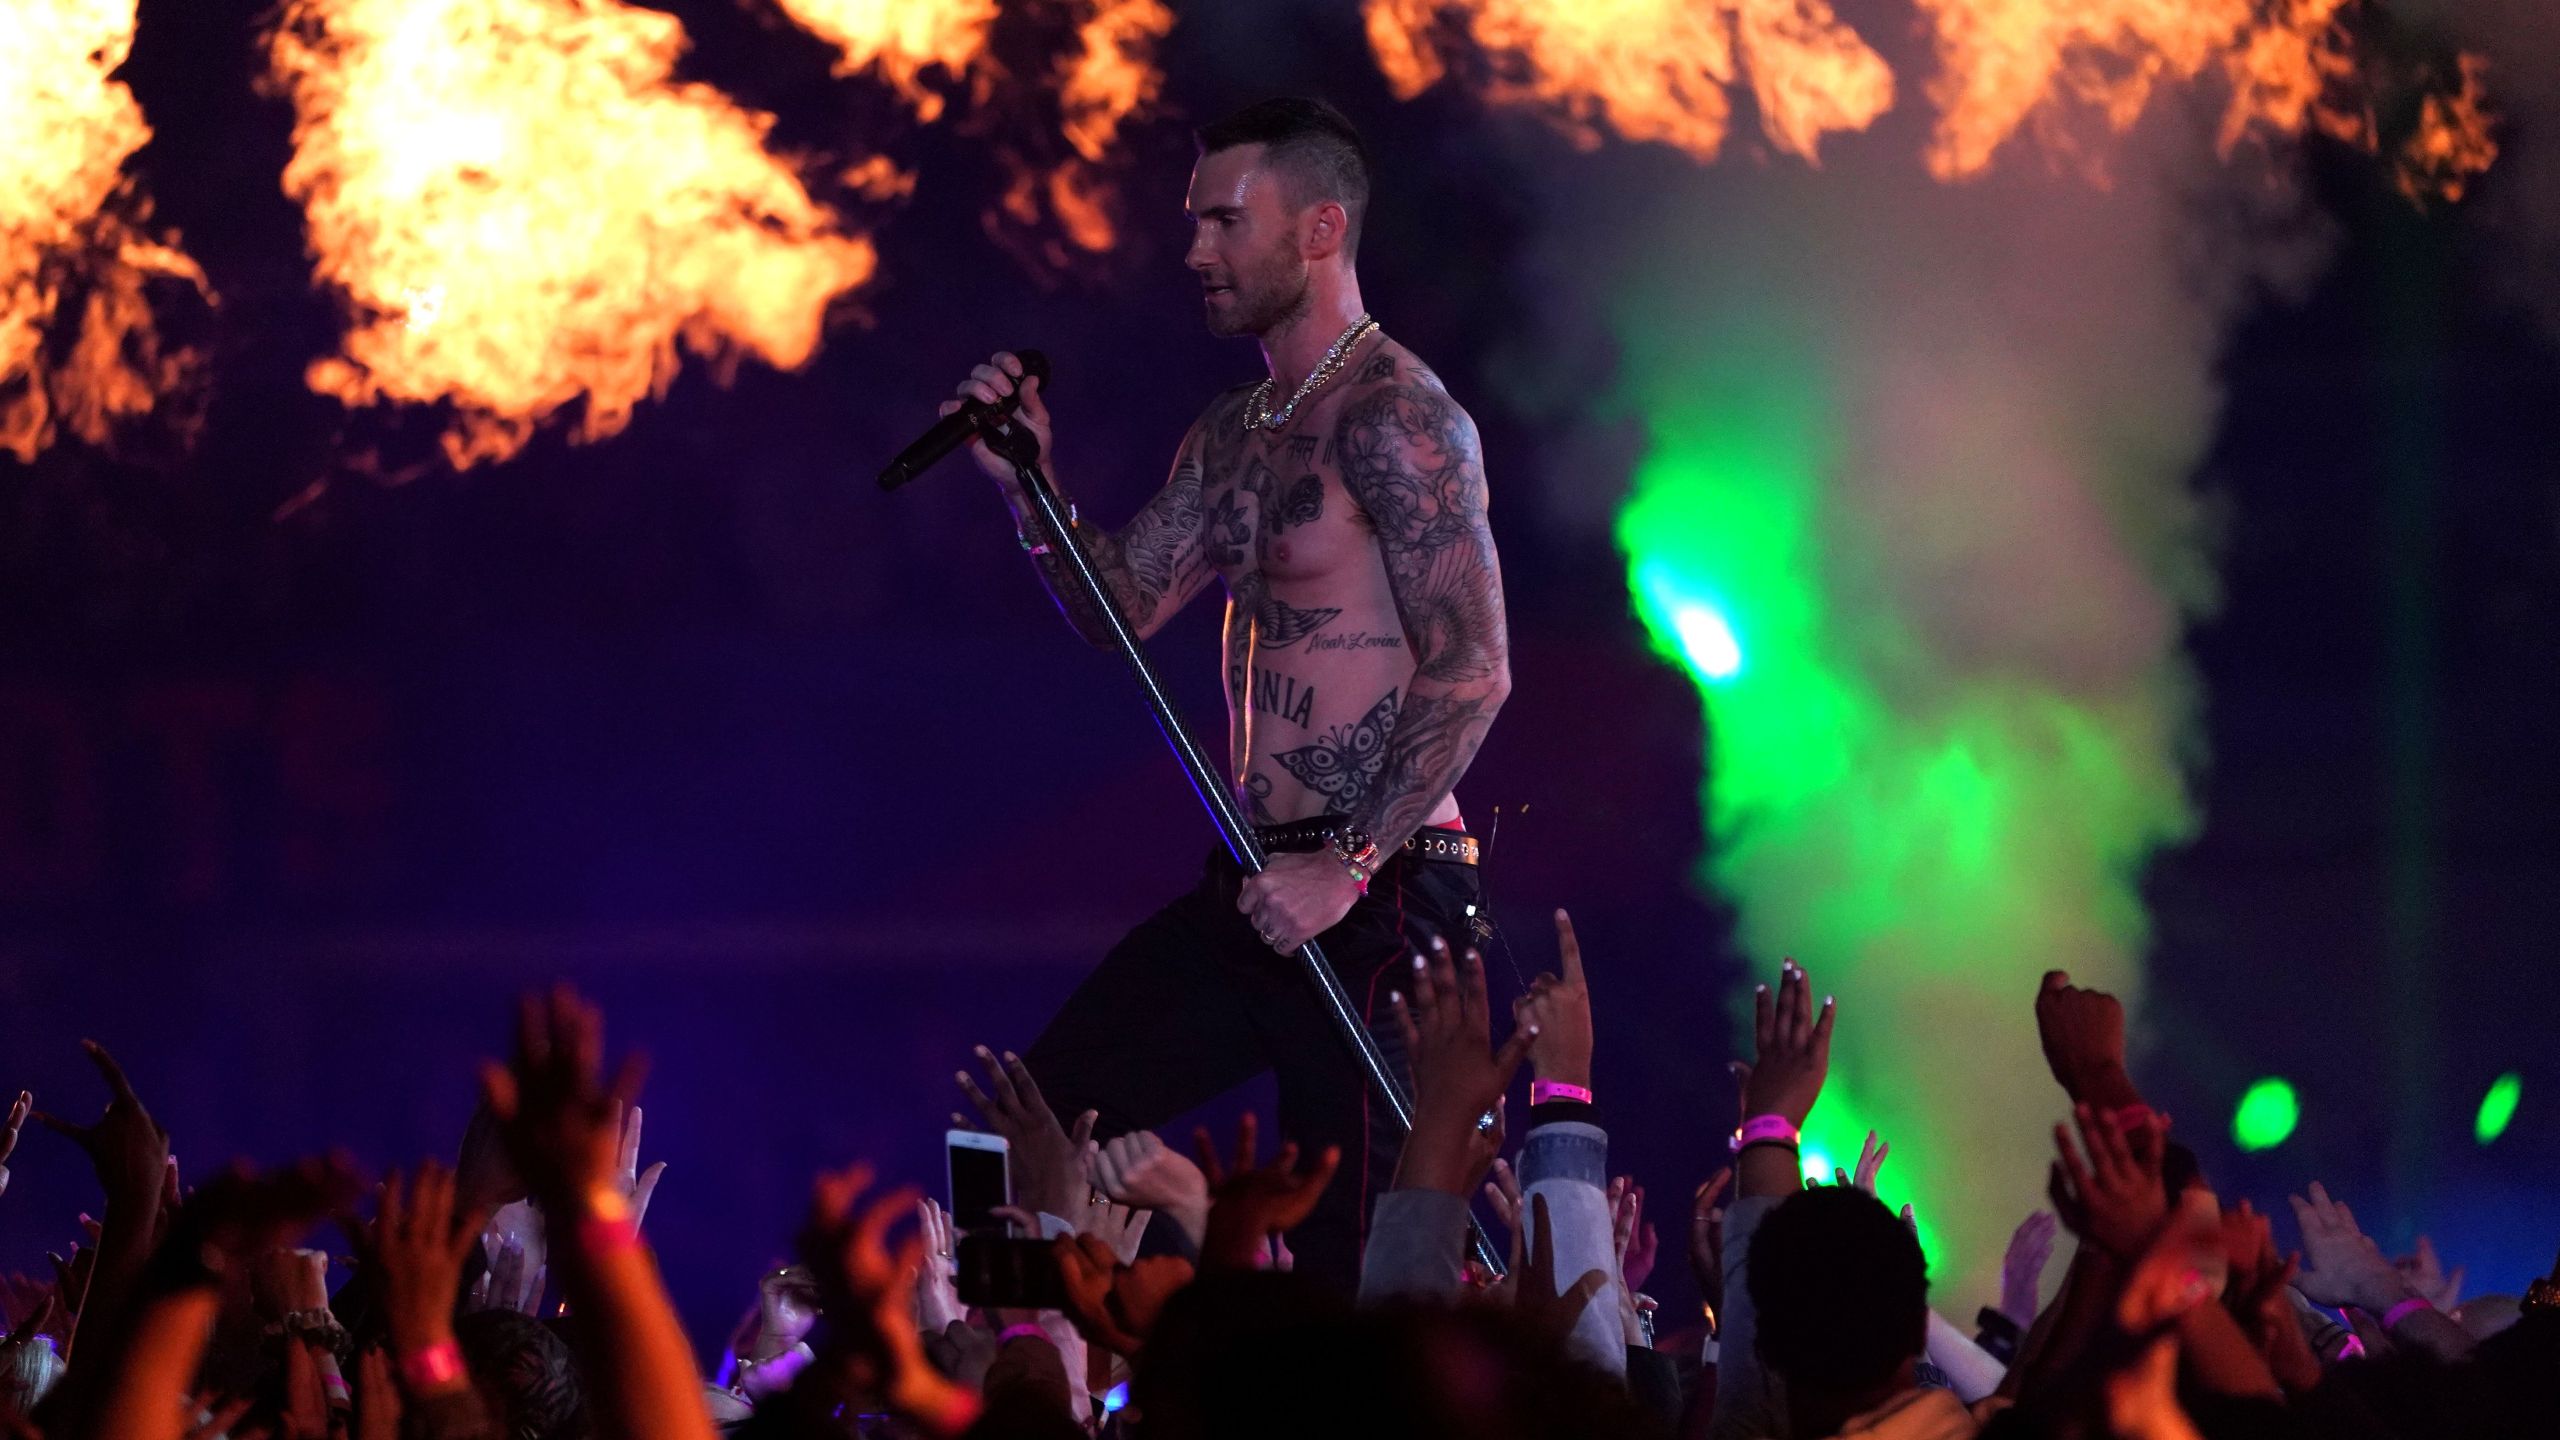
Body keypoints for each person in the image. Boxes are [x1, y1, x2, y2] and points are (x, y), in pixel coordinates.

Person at [936, 95, 1512, 1284]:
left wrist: (1346, 865)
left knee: (1362, 1259)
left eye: (1223, 222)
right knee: (1027, 1130)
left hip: (1383, 889)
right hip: (1256, 883)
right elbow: (1119, 608)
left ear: (1318, 229)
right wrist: (1026, 486)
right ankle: (1040, 1357)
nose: (1195, 250)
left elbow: (1473, 663)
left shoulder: (1399, 418)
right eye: (1193, 222)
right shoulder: (1234, 431)